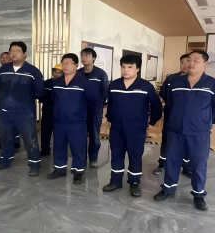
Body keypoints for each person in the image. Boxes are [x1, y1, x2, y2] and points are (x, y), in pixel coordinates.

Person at [153, 50, 215, 211]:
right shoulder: (175, 82)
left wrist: (204, 121)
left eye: (196, 60)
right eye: (189, 59)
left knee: (199, 164)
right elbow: (169, 103)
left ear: (205, 64)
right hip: (175, 130)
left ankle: (199, 194)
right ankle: (168, 189)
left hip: (199, 133)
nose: (191, 63)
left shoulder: (213, 84)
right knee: (172, 160)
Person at [103, 55, 162, 197]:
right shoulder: (114, 85)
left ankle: (134, 182)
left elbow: (157, 106)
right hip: (117, 129)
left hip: (136, 129)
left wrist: (151, 123)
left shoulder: (145, 86)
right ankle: (115, 181)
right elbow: (110, 105)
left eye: (130, 67)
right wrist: (110, 119)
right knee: (116, 154)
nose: (126, 70)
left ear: (137, 69)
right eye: (123, 67)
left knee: (135, 156)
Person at [0, 41, 45, 176]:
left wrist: (24, 99)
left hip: (24, 113)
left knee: (30, 140)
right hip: (5, 112)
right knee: (5, 139)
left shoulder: (33, 72)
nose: (14, 53)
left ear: (25, 54)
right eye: (12, 51)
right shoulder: (2, 71)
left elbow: (40, 91)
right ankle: (5, 160)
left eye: (17, 51)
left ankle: (34, 164)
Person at [46, 54, 97, 184]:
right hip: (59, 121)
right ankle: (59, 169)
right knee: (58, 146)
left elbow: (92, 100)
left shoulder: (84, 82)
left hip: (77, 122)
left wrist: (79, 111)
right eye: (64, 63)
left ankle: (78, 172)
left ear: (76, 65)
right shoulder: (57, 82)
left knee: (78, 148)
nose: (65, 66)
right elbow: (54, 98)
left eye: (69, 63)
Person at [153, 54, 193, 177]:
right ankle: (163, 164)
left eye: (187, 62)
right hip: (171, 116)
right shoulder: (171, 79)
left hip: (189, 119)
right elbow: (163, 94)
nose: (184, 65)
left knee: (187, 142)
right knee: (167, 140)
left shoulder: (195, 79)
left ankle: (187, 166)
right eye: (182, 62)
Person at [78, 48, 110, 168]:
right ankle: (81, 158)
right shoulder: (78, 73)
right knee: (80, 134)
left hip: (95, 108)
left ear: (94, 58)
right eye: (82, 55)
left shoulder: (100, 74)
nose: (84, 58)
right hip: (80, 108)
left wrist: (98, 104)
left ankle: (93, 157)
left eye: (87, 55)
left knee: (94, 134)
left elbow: (105, 91)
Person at [0, 52, 21, 151]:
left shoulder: (15, 72)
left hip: (12, 104)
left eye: (6, 57)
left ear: (11, 59)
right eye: (2, 57)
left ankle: (15, 143)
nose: (3, 59)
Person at [40, 64, 64, 156]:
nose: (56, 74)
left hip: (60, 112)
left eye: (59, 72)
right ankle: (45, 149)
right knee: (45, 131)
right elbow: (41, 95)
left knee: (59, 132)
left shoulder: (65, 84)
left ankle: (59, 150)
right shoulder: (46, 83)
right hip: (47, 111)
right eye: (55, 72)